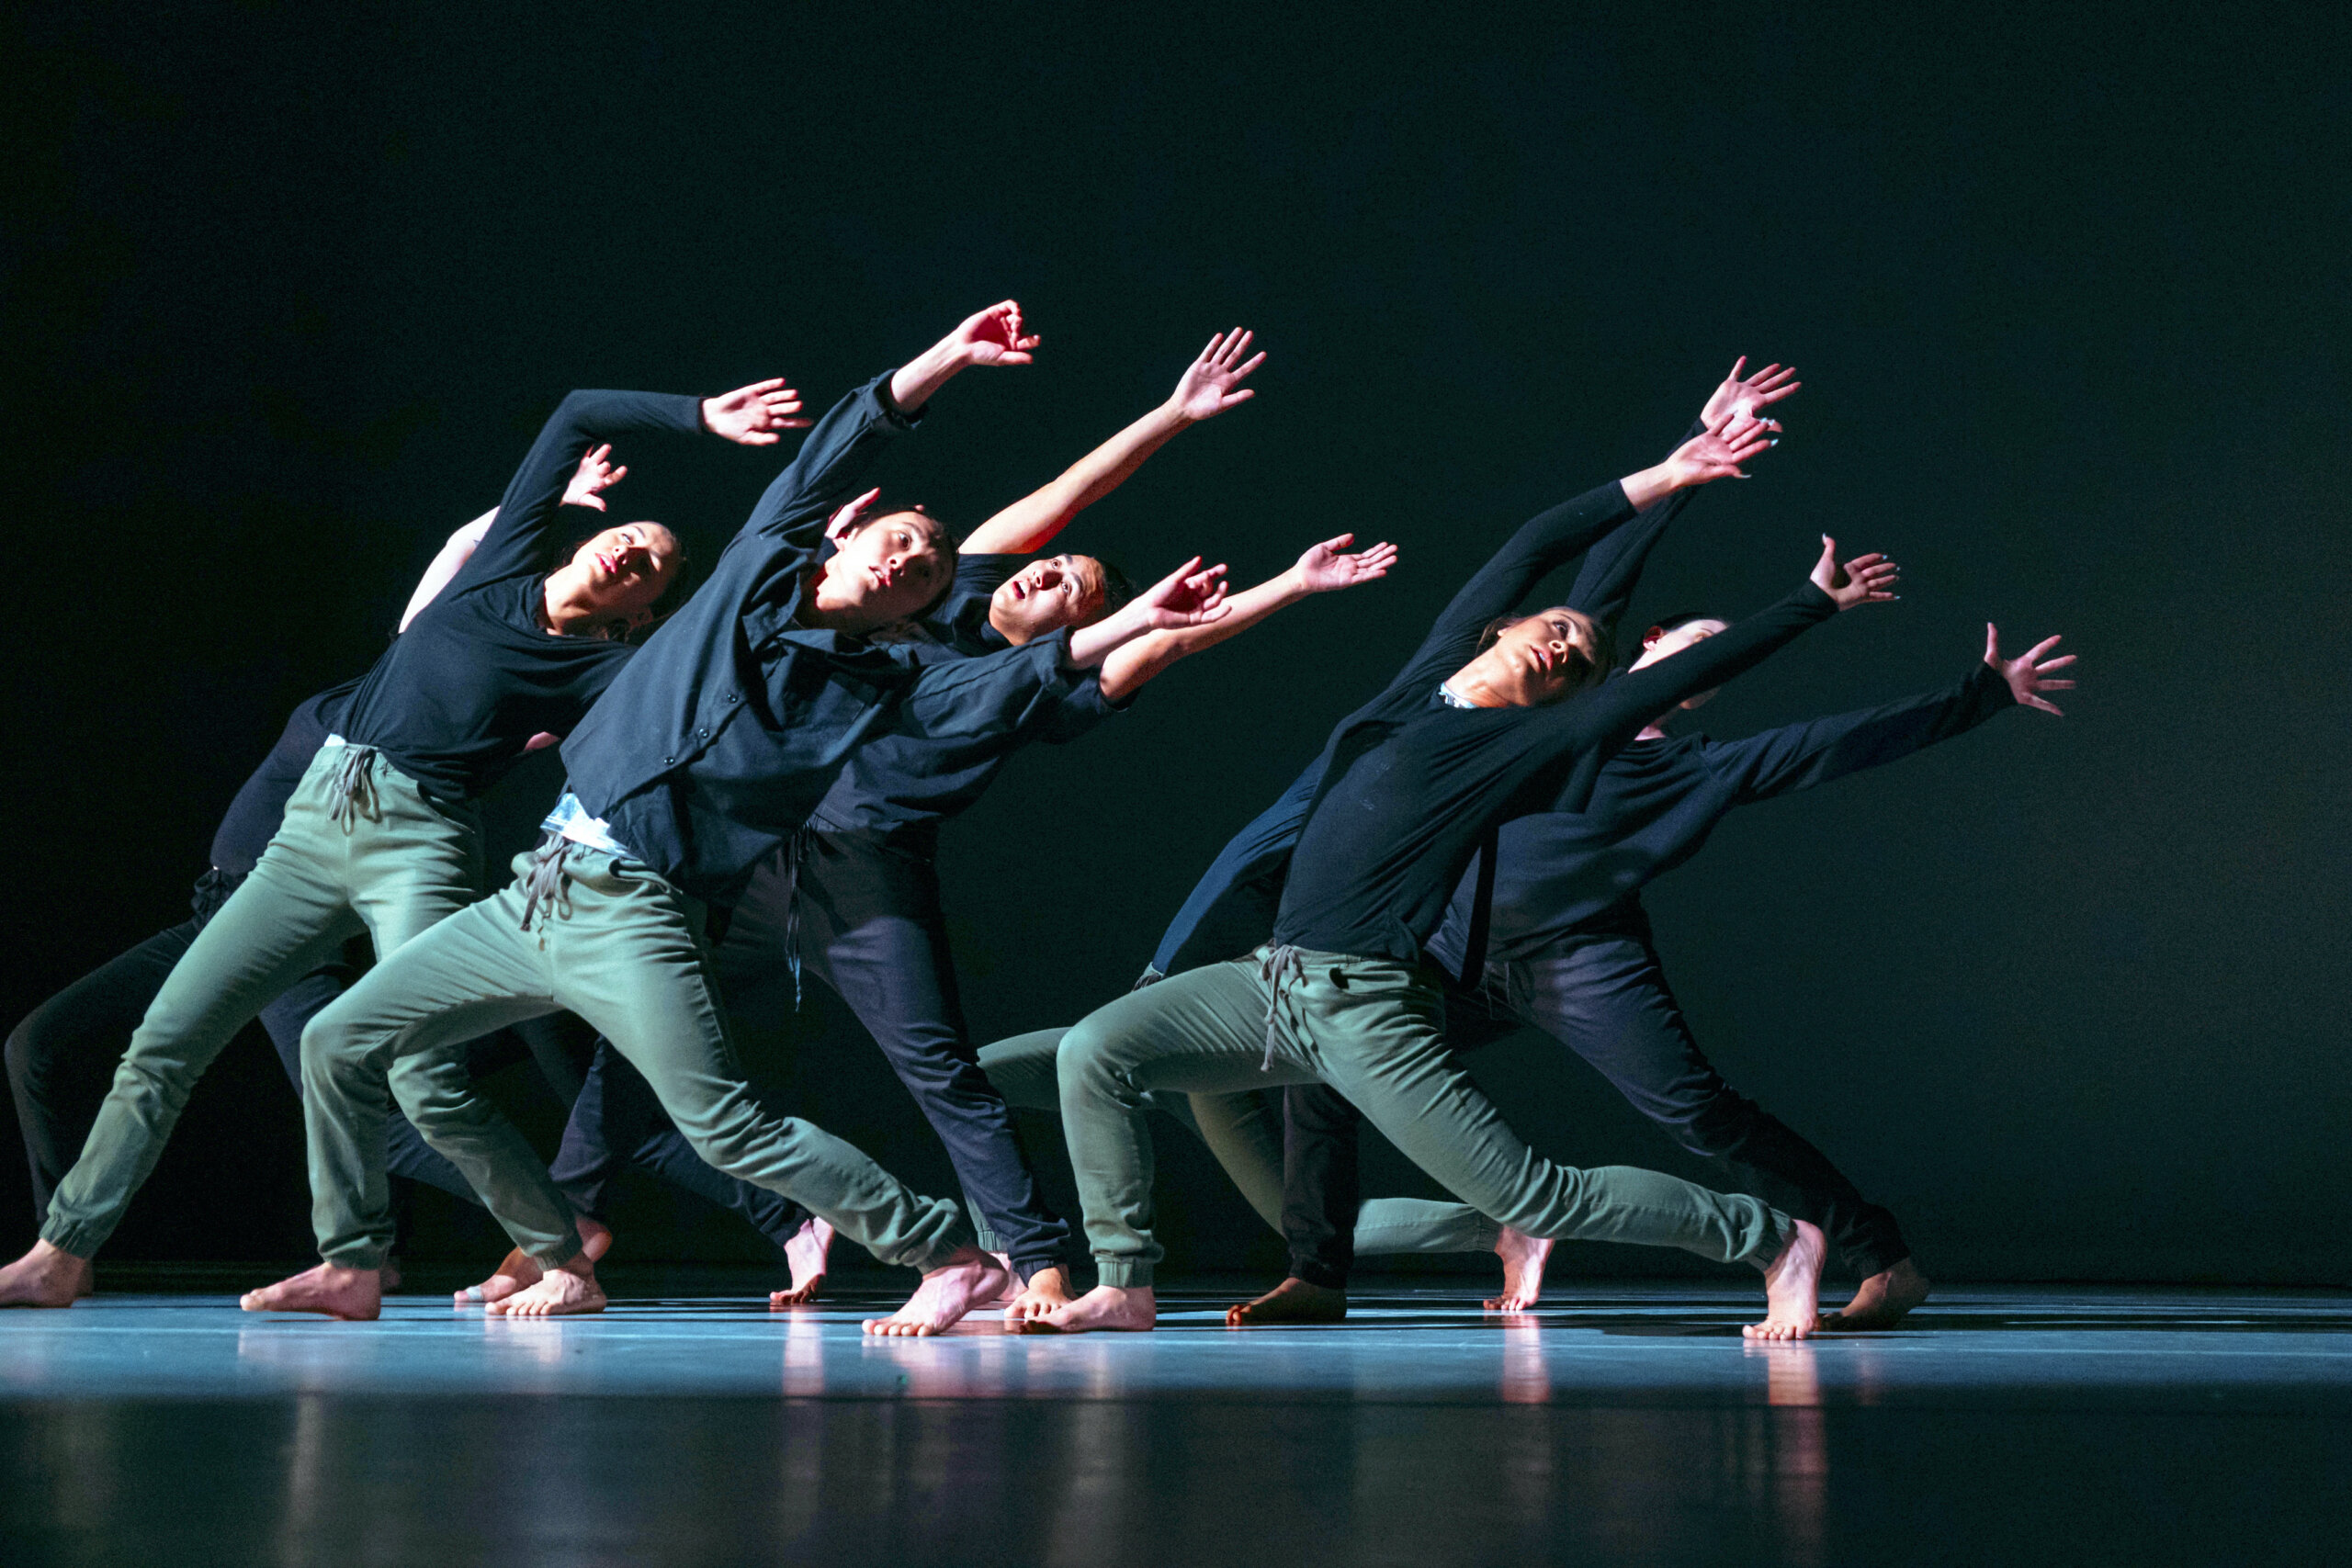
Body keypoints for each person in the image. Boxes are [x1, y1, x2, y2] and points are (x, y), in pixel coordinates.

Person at [246, 303, 1232, 1333]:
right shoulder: (756, 569)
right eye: (897, 542)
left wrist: (1130, 625)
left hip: (638, 907)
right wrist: (949, 357)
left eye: (927, 573)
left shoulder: (893, 682)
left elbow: (1022, 678)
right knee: (338, 1039)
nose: (907, 563)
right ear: (843, 539)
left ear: (920, 610)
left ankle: (946, 1250)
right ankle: (369, 1260)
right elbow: (844, 436)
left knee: (725, 1125)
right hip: (537, 888)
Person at [1012, 404, 1900, 1340]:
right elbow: (1535, 542)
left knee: (1539, 1195)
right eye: (1560, 627)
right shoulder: (1428, 676)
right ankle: (1124, 1284)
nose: (1568, 644)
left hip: (1368, 1005)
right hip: (1270, 978)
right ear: (1506, 628)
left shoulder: (1524, 741)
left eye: (1582, 659)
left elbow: (1655, 679)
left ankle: (1768, 1237)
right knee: (1094, 1049)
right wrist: (1668, 476)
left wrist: (1808, 606)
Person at [519, 329, 1274, 1316]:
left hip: (867, 874)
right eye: (1051, 568)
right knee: (635, 1033)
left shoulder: (1043, 686)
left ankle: (1035, 1261)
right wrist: (1172, 415)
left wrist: (1277, 588)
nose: (1044, 578)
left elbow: (1159, 646)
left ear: (1071, 631)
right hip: (749, 853)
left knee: (939, 1069)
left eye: (1069, 591)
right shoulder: (948, 581)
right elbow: (1069, 492)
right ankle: (570, 1232)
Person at [0, 391, 787, 1307]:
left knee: (417, 1070)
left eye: (654, 563)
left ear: (646, 610)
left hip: (418, 841)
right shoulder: (493, 572)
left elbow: (714, 673)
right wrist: (700, 417)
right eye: (633, 535)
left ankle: (557, 1262)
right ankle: (71, 1255)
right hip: (312, 826)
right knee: (164, 1042)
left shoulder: (604, 672)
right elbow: (574, 412)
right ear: (580, 541)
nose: (634, 550)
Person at [1228, 616, 2075, 1327]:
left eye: (1720, 656)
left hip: (1581, 955)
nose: (1705, 659)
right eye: (1697, 639)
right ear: (1651, 641)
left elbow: (1832, 744)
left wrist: (1979, 695)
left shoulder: (1688, 763)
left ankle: (1882, 1258)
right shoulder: (1541, 709)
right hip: (1457, 948)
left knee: (1698, 1109)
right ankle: (1318, 1273)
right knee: (1324, 1062)